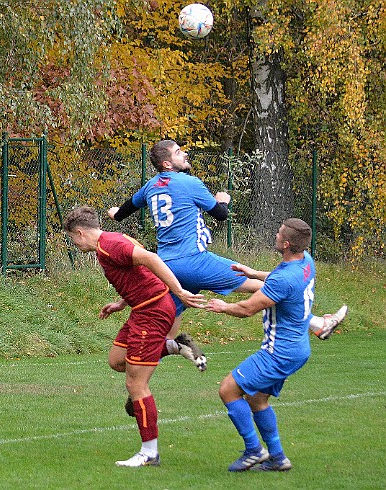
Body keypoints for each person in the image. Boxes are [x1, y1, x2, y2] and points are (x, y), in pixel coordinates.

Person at [108, 139, 347, 370]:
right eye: (179, 152)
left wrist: (115, 212)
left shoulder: (150, 186)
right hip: (194, 261)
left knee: (167, 332)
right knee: (265, 287)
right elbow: (220, 215)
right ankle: (319, 324)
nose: (185, 154)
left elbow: (123, 212)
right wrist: (223, 201)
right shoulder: (189, 183)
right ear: (167, 164)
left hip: (167, 267)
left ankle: (140, 367)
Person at [63, 206, 206, 467]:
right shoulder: (111, 242)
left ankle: (149, 452)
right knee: (117, 360)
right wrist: (122, 302)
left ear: (80, 233)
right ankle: (176, 346)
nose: (74, 244)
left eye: (72, 238)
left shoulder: (111, 246)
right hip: (142, 308)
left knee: (136, 385)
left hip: (152, 311)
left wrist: (180, 292)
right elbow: (140, 274)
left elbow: (151, 259)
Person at [204, 218, 323, 472]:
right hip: (297, 348)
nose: (276, 235)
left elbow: (248, 308)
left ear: (287, 243)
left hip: (278, 352)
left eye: (279, 233)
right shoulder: (305, 263)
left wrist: (223, 307)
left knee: (228, 390)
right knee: (257, 400)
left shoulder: (284, 280)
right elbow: (279, 278)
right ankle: (278, 458)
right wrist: (253, 273)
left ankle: (253, 451)